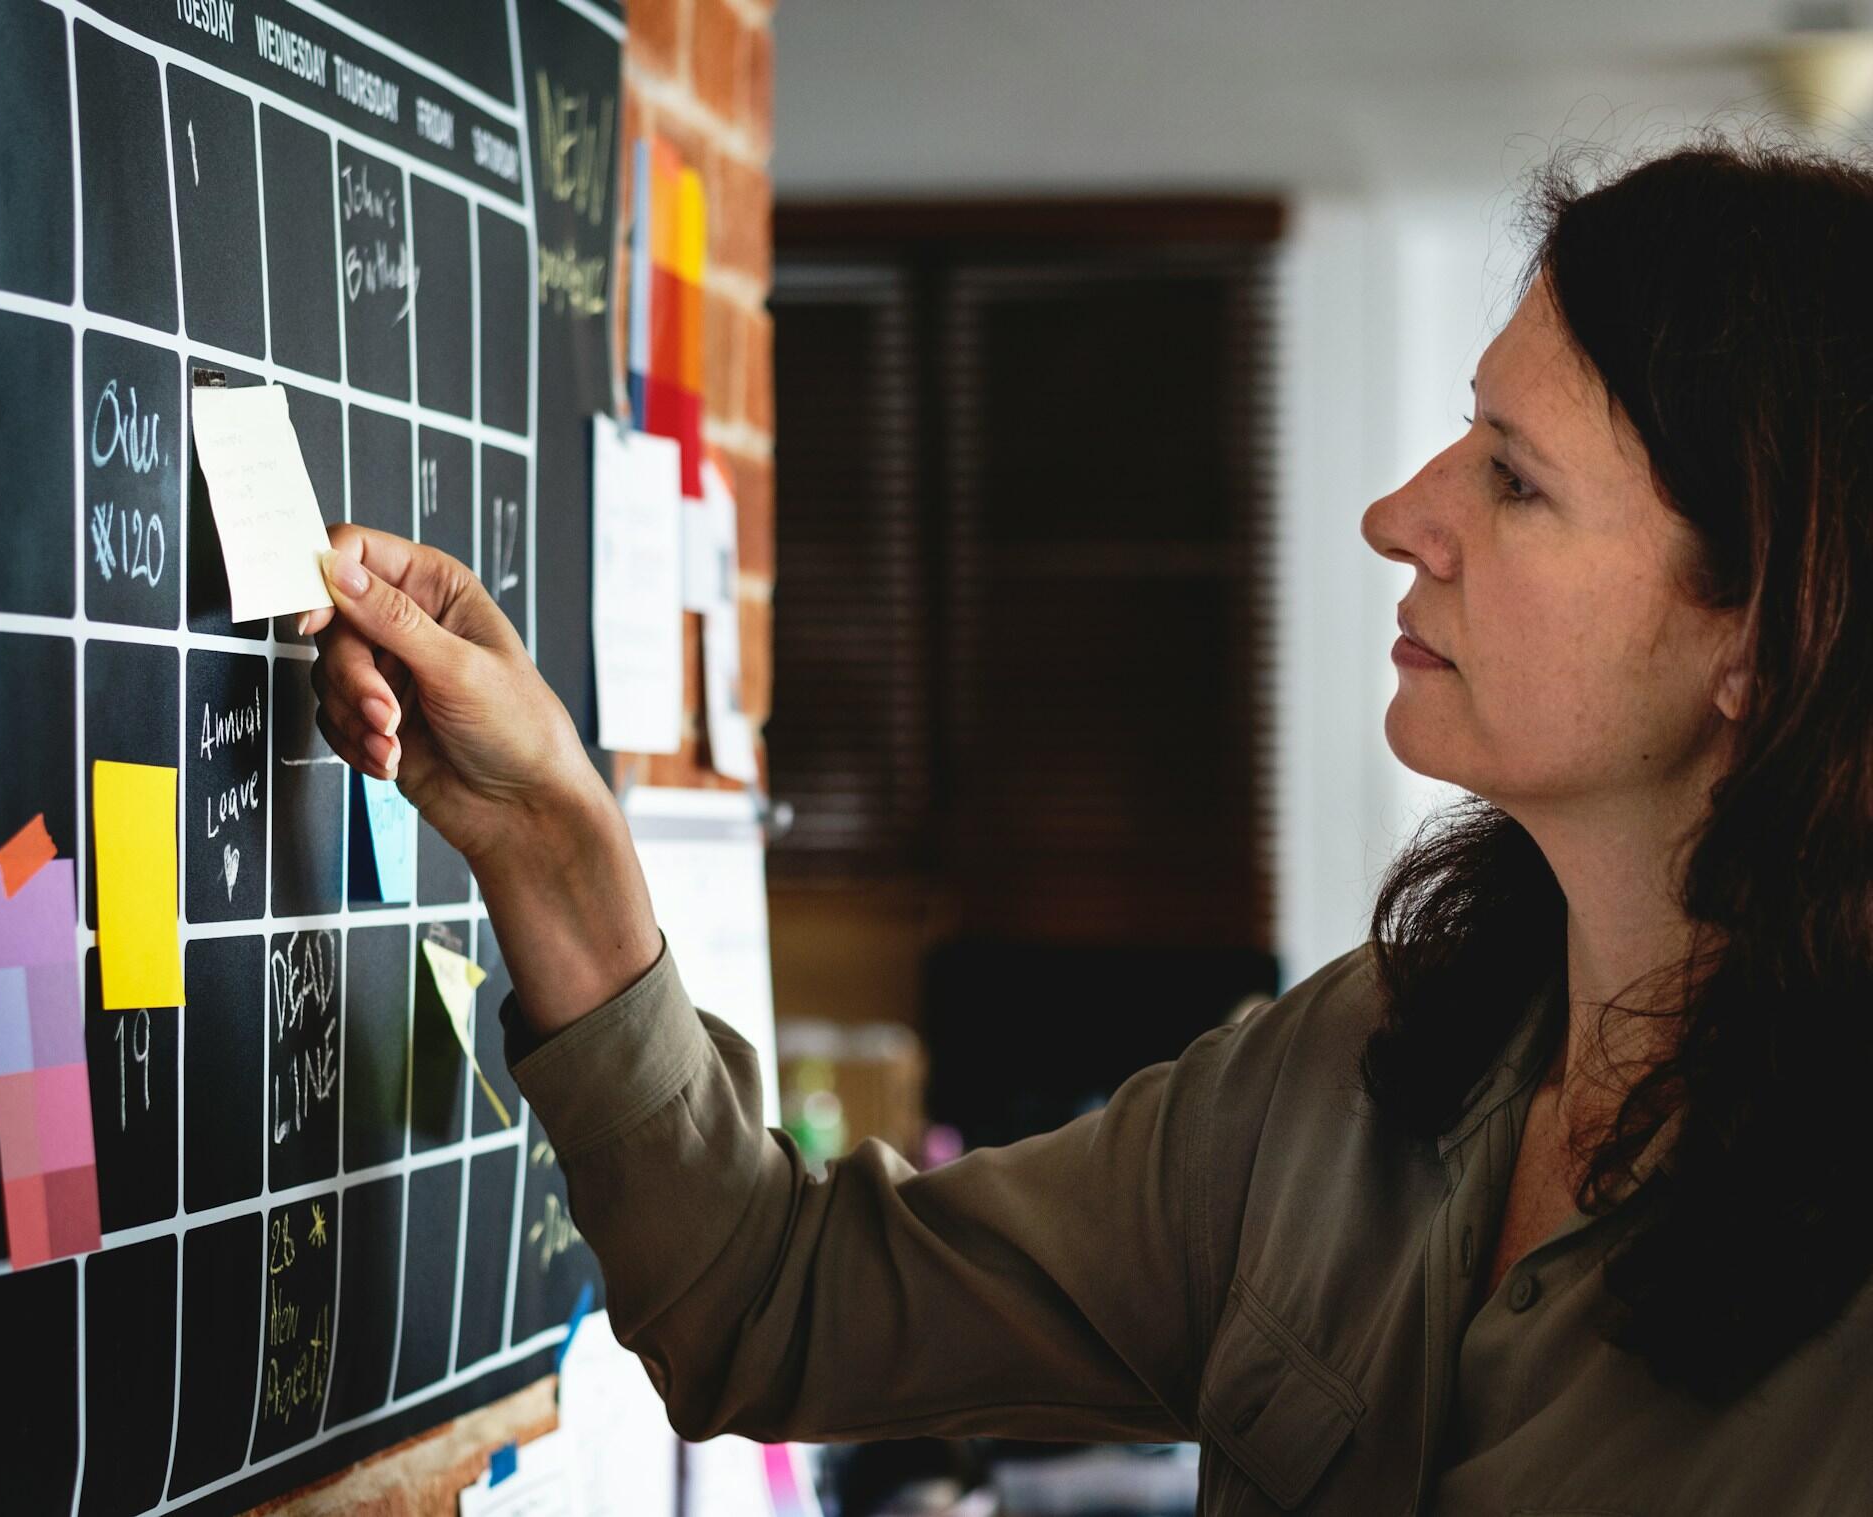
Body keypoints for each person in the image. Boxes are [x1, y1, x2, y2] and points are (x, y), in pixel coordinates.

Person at [301, 131, 1873, 1513]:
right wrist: (547, 832)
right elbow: (777, 1300)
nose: (1404, 514)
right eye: (1466, 434)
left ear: (1765, 627)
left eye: (1515, 481)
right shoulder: (1356, 1074)